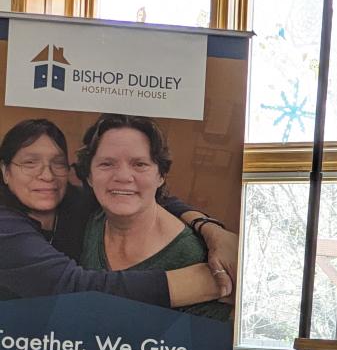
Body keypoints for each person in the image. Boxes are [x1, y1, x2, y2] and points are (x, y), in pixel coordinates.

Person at [0, 117, 234, 306]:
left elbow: (142, 195)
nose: (47, 175)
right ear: (5, 171)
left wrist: (211, 230)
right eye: (29, 163)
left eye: (57, 163)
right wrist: (207, 282)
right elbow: (73, 288)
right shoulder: (5, 227)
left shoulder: (78, 203)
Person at [74, 114, 230, 322]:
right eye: (106, 164)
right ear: (89, 176)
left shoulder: (192, 257)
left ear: (161, 175)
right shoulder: (90, 218)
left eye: (139, 164)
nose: (122, 176)